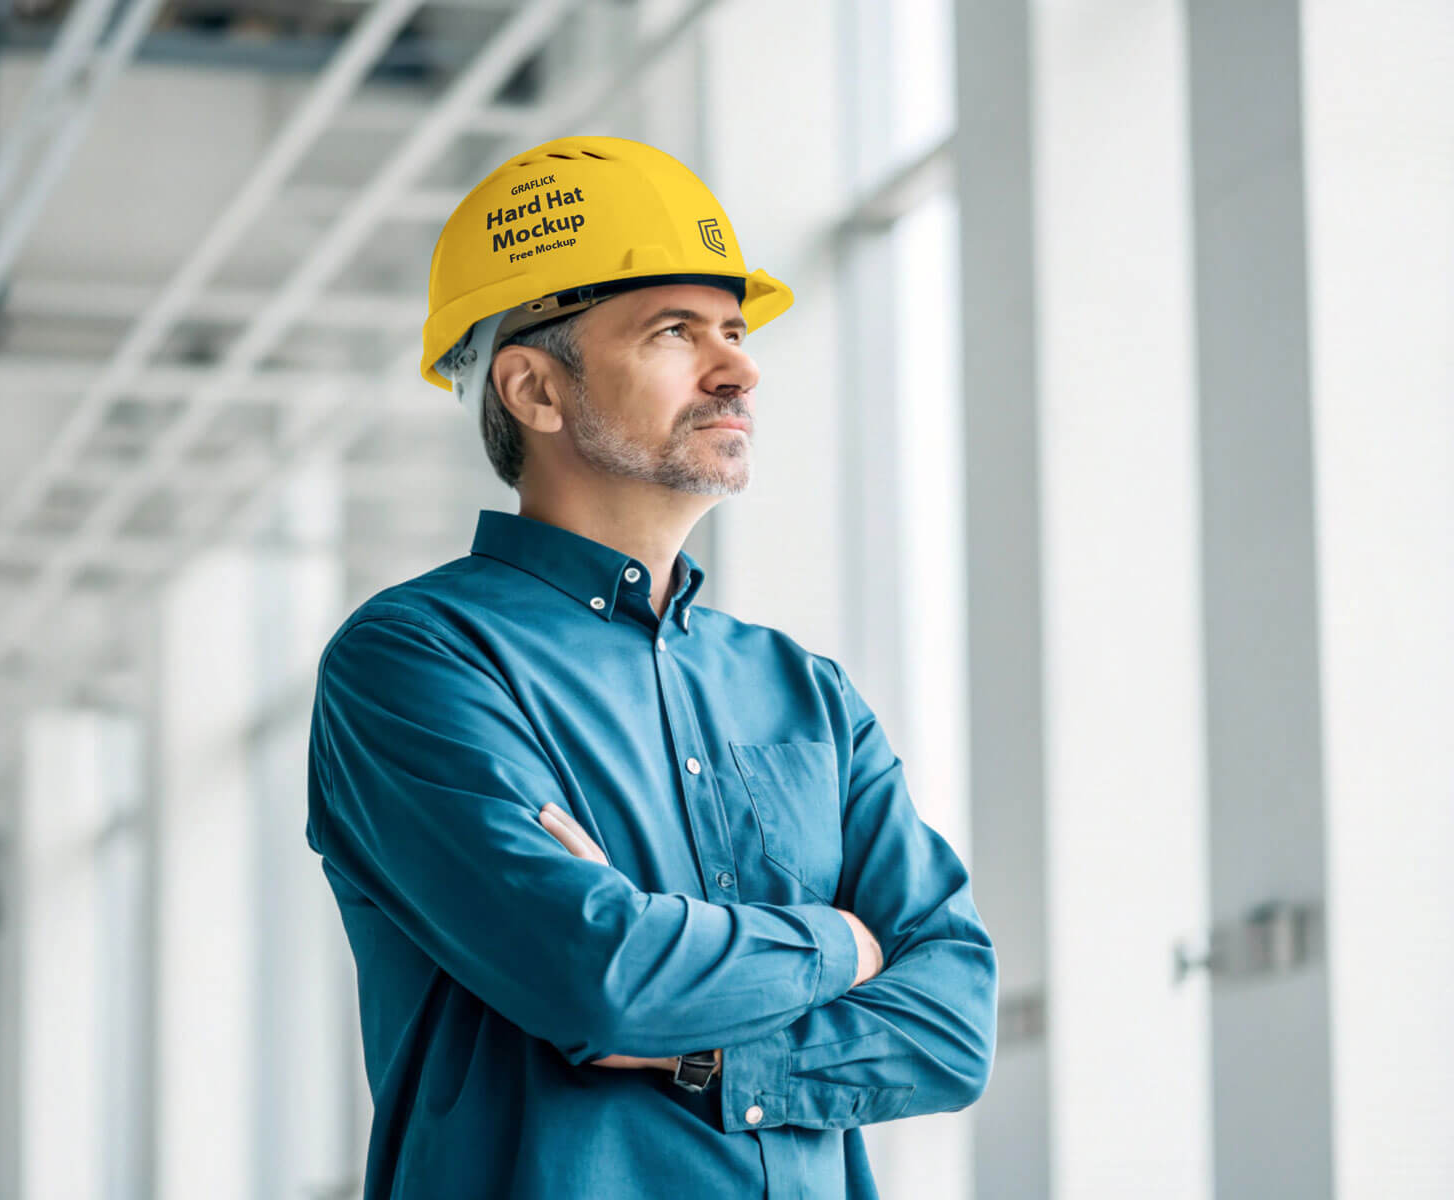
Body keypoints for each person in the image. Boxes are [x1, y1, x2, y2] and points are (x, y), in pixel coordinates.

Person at [305, 134, 996, 1200]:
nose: (739, 367)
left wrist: (714, 1053)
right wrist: (845, 943)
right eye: (674, 332)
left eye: (732, 327)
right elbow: (602, 977)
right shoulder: (417, 660)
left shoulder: (804, 695)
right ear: (534, 388)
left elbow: (954, 1022)